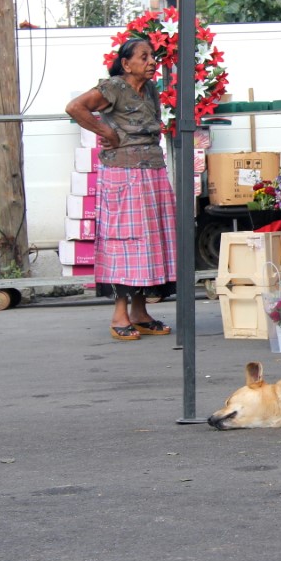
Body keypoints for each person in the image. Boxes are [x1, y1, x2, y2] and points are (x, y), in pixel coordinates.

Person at [65, 38, 177, 341]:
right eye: (144, 57)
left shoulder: (151, 89)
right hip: (123, 176)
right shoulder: (113, 86)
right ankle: (119, 315)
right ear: (126, 64)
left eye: (152, 56)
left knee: (149, 244)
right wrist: (105, 131)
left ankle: (140, 313)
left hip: (151, 172)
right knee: (125, 243)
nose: (151, 61)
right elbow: (75, 108)